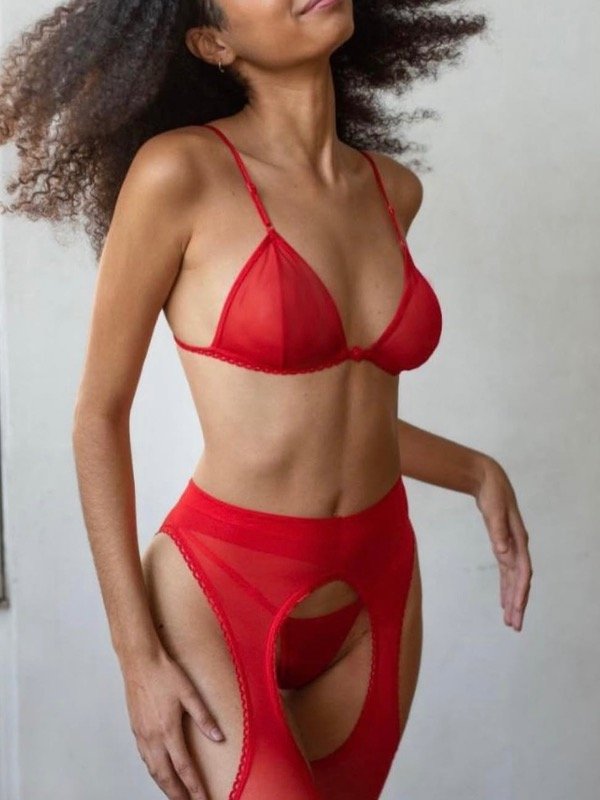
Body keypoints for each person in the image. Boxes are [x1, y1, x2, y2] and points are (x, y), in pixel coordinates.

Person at [0, 1, 533, 798]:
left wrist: (477, 471)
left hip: (378, 585)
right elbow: (97, 417)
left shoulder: (393, 190)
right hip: (223, 586)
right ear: (212, 41)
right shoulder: (180, 174)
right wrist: (136, 657)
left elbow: (344, 412)